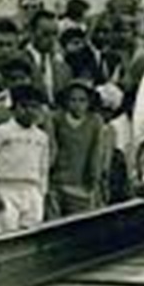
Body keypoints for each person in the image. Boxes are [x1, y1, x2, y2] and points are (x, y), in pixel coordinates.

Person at [0, 84, 50, 232]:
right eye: (24, 106)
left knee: (32, 233)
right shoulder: (1, 132)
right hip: (7, 188)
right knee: (7, 231)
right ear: (14, 108)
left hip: (32, 189)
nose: (30, 111)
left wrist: (42, 194)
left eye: (35, 107)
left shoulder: (42, 137)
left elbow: (43, 169)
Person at [49, 79, 104, 217]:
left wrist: (94, 181)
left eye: (82, 100)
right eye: (73, 100)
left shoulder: (95, 121)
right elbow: (51, 148)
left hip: (81, 185)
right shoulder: (56, 119)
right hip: (58, 182)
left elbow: (96, 152)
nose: (77, 105)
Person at [24, 8, 70, 106]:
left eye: (55, 34)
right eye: (45, 34)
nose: (52, 39)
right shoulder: (20, 60)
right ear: (31, 32)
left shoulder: (63, 66)